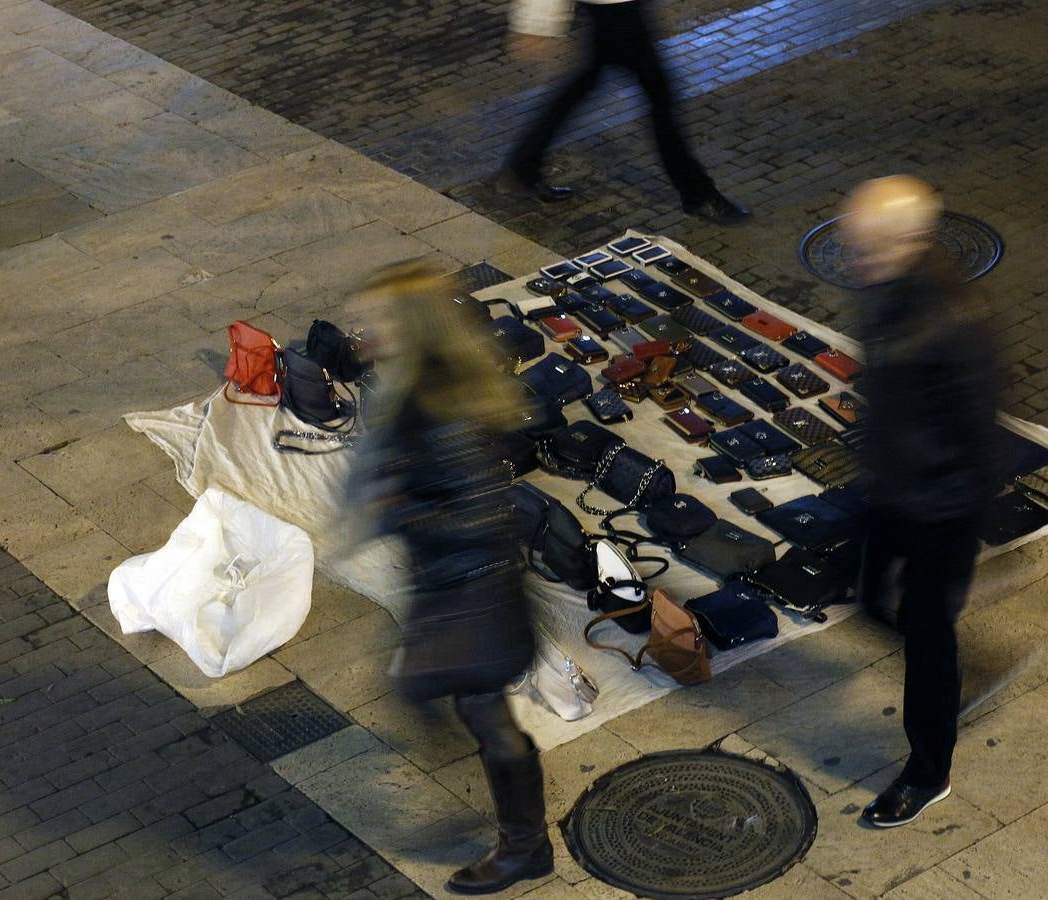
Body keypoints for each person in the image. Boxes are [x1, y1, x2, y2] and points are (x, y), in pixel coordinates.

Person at [343, 261, 552, 894]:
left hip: (474, 586)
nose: (362, 331)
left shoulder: (436, 404)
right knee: (478, 708)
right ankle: (523, 843)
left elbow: (482, 513)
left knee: (442, 693)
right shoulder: (414, 388)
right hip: (452, 580)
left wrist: (397, 510)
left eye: (375, 319)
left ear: (410, 324)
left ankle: (525, 848)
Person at [842, 176, 1004, 828]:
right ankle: (972, 665)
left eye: (869, 250)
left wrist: (966, 517)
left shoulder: (958, 319)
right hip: (893, 488)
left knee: (927, 636)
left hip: (943, 507)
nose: (856, 263)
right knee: (869, 599)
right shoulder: (890, 291)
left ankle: (928, 771)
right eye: (855, 248)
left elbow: (982, 428)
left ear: (910, 243)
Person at [503, 0, 751, 224]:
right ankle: (698, 194)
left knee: (585, 82)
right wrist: (535, 22)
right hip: (617, 8)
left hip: (615, 7)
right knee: (660, 97)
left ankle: (524, 163)